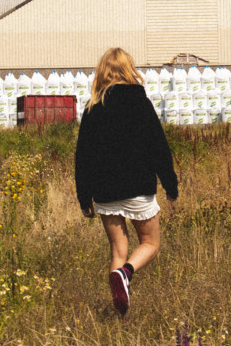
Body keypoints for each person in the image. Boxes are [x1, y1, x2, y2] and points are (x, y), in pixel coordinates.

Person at [74, 47, 179, 315]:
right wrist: (170, 186)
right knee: (150, 244)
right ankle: (127, 272)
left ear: (102, 72)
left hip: (105, 192)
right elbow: (159, 147)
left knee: (118, 250)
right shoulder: (139, 103)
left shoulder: (92, 108)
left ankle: (121, 313)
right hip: (138, 187)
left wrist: (84, 197)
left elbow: (82, 156)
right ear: (128, 70)